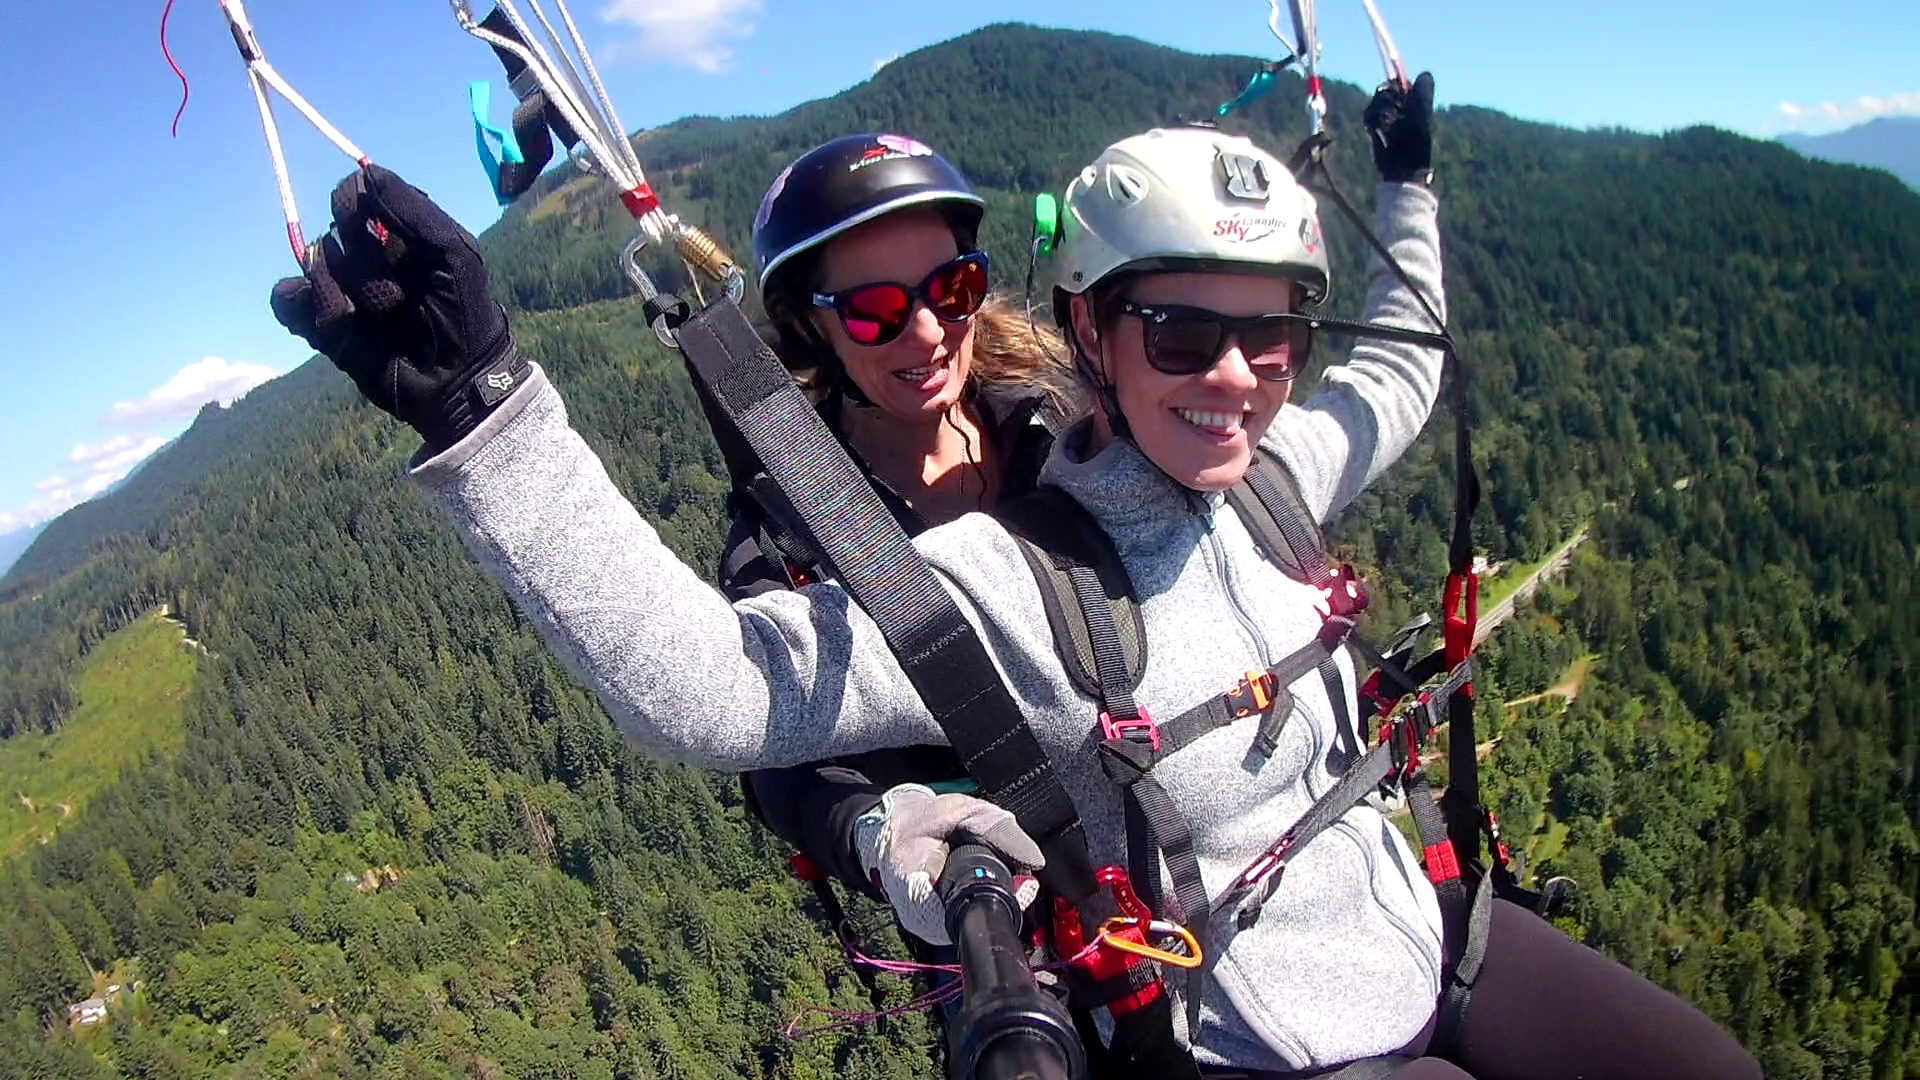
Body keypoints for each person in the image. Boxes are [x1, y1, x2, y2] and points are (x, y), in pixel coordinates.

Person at [269, 73, 1760, 1078]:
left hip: (1414, 912)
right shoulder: (947, 560)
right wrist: (485, 410)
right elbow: (725, 693)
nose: (1235, 378)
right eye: (1180, 337)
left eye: (1268, 340)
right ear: (1102, 327)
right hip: (1220, 986)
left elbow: (1400, 372)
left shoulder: (1212, 458)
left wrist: (1405, 182)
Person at [718, 134, 1071, 904]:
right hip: (1000, 902)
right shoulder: (797, 520)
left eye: (952, 288)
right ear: (810, 328)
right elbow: (775, 739)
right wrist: (871, 829)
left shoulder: (1059, 425)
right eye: (875, 310)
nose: (927, 332)